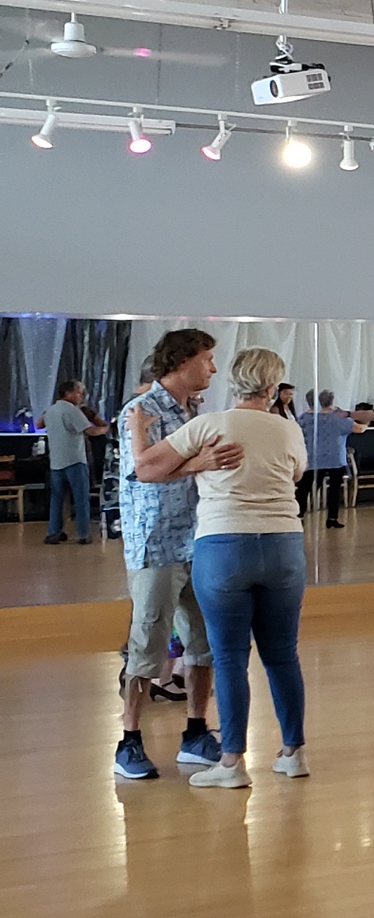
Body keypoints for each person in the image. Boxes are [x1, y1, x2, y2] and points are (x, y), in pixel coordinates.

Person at [133, 345, 311, 788]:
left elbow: (146, 468)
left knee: (230, 658)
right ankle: (293, 754)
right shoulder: (289, 429)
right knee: (282, 654)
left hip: (224, 546)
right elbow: (295, 476)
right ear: (273, 387)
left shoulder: (209, 425)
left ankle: (232, 763)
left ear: (234, 380)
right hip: (284, 545)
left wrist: (138, 431)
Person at [113, 329, 226, 781]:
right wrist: (198, 463)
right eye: (207, 359)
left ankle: (196, 732)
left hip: (196, 540)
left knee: (203, 642)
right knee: (148, 644)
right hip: (155, 543)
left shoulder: (192, 411)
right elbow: (144, 471)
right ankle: (129, 740)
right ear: (181, 361)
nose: (213, 368)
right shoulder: (140, 412)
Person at [40, 378, 106, 544]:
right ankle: (83, 534)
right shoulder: (72, 410)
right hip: (75, 460)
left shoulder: (51, 410)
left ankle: (54, 532)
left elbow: (39, 424)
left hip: (56, 462)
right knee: (81, 498)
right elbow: (90, 431)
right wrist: (107, 428)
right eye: (78, 392)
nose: (81, 396)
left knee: (57, 499)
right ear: (68, 393)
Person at [297, 390, 361, 529]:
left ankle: (299, 516)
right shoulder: (338, 417)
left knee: (304, 488)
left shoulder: (304, 418)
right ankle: (332, 518)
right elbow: (359, 429)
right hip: (335, 459)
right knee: (334, 489)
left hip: (313, 458)